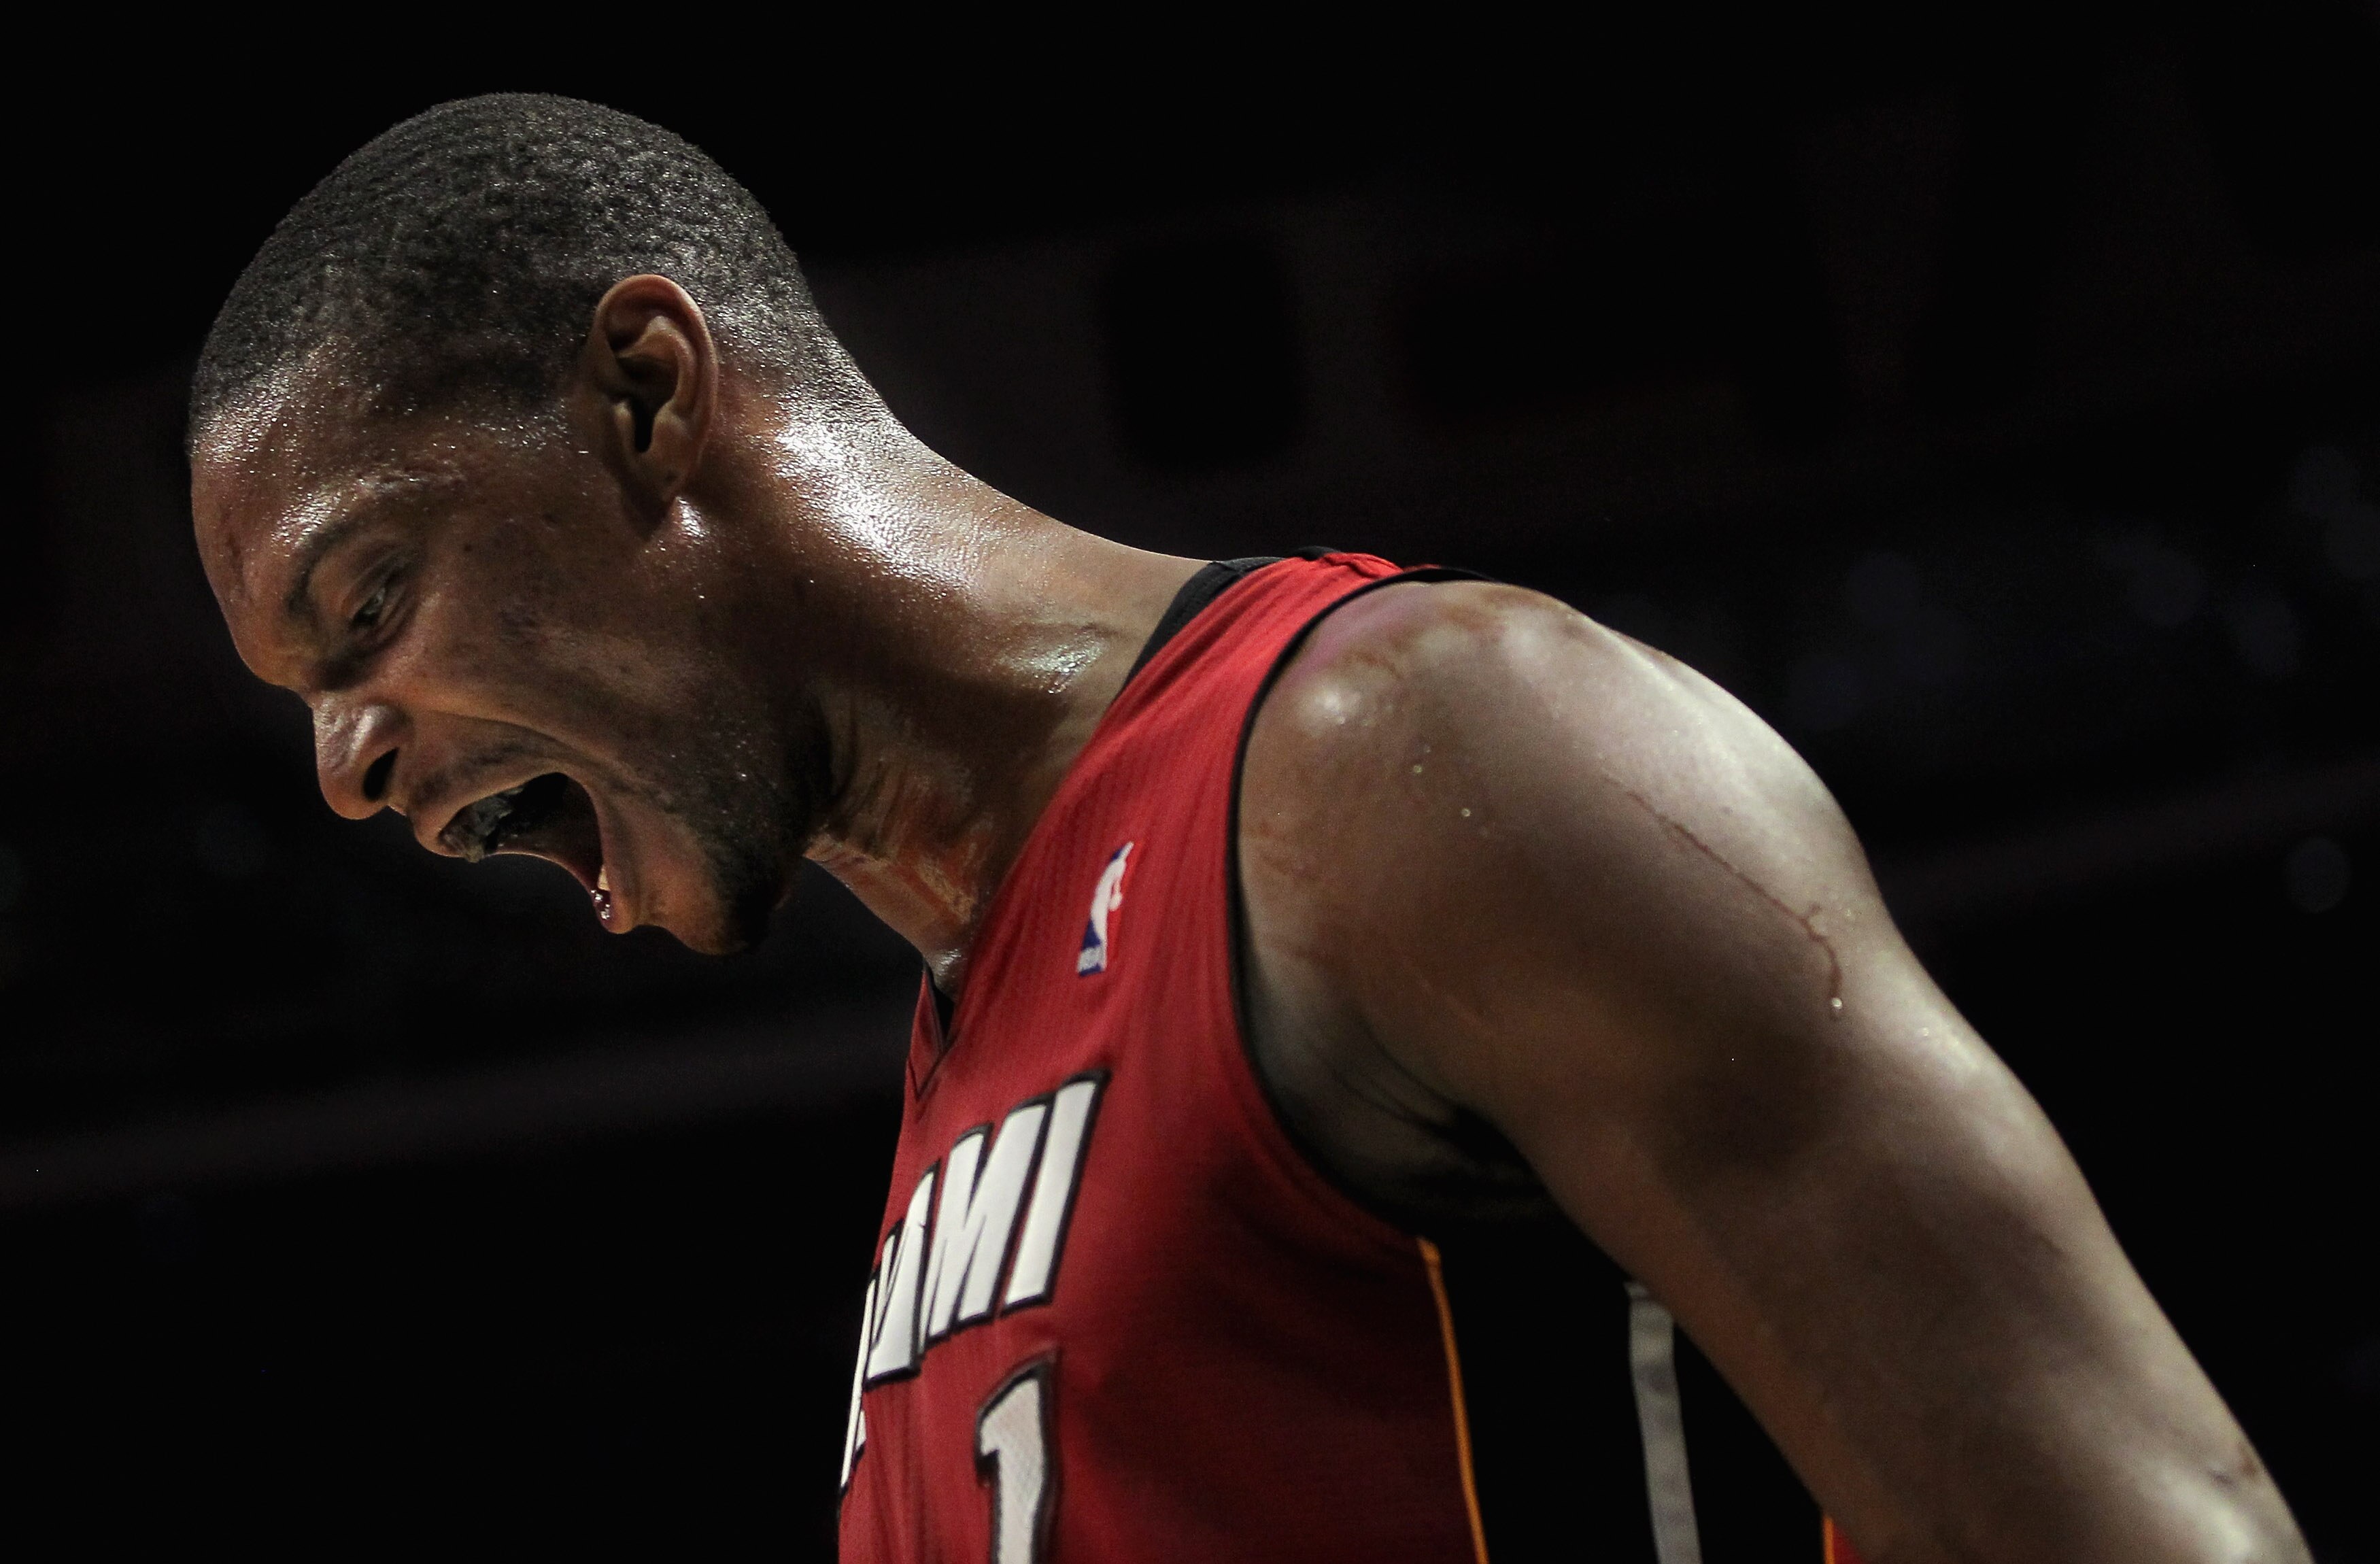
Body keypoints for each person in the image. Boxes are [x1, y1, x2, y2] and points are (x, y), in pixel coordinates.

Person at [188, 95, 2307, 1564]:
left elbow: (2139, 1528)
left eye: (367, 605)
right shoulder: (974, 1058)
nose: (345, 769)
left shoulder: (1415, 764)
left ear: (648, 391)